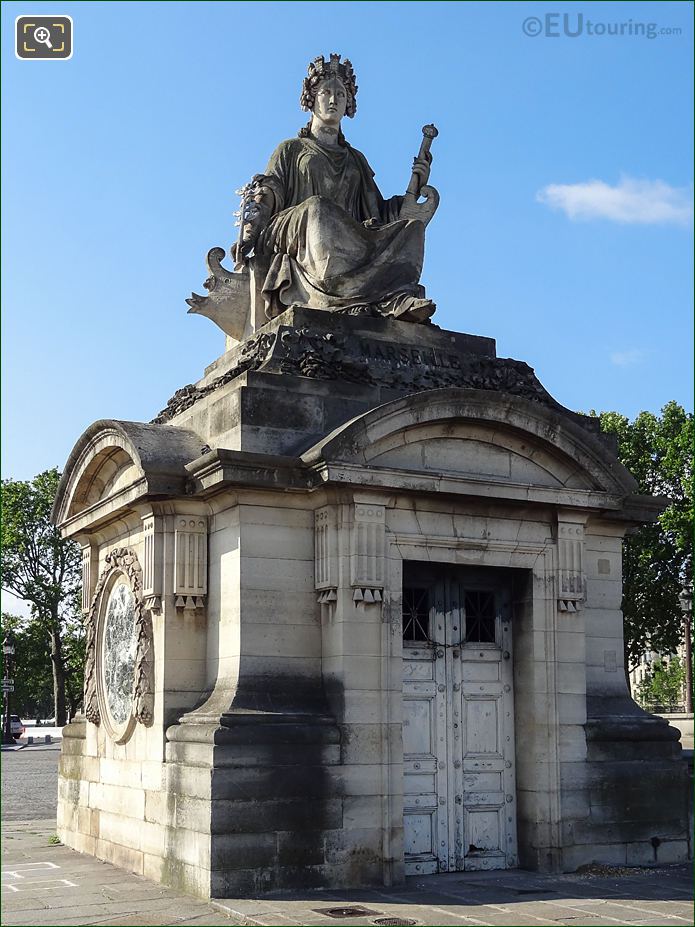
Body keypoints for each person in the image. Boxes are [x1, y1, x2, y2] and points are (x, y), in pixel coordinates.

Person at [234, 54, 438, 323]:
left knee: (411, 228)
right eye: (326, 92)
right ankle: (347, 298)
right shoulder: (291, 149)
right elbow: (269, 191)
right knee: (319, 208)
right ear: (312, 98)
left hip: (347, 233)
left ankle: (395, 298)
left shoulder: (356, 159)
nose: (333, 100)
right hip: (295, 229)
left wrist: (411, 198)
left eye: (340, 95)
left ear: (348, 104)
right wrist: (251, 231)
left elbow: (378, 211)